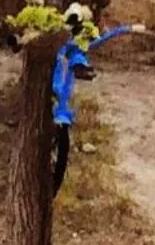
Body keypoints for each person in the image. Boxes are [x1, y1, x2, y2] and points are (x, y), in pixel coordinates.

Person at [50, 11, 137, 195]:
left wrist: (127, 28)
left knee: (62, 143)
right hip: (54, 99)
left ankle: (53, 184)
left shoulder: (76, 47)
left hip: (62, 105)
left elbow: (103, 37)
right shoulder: (59, 47)